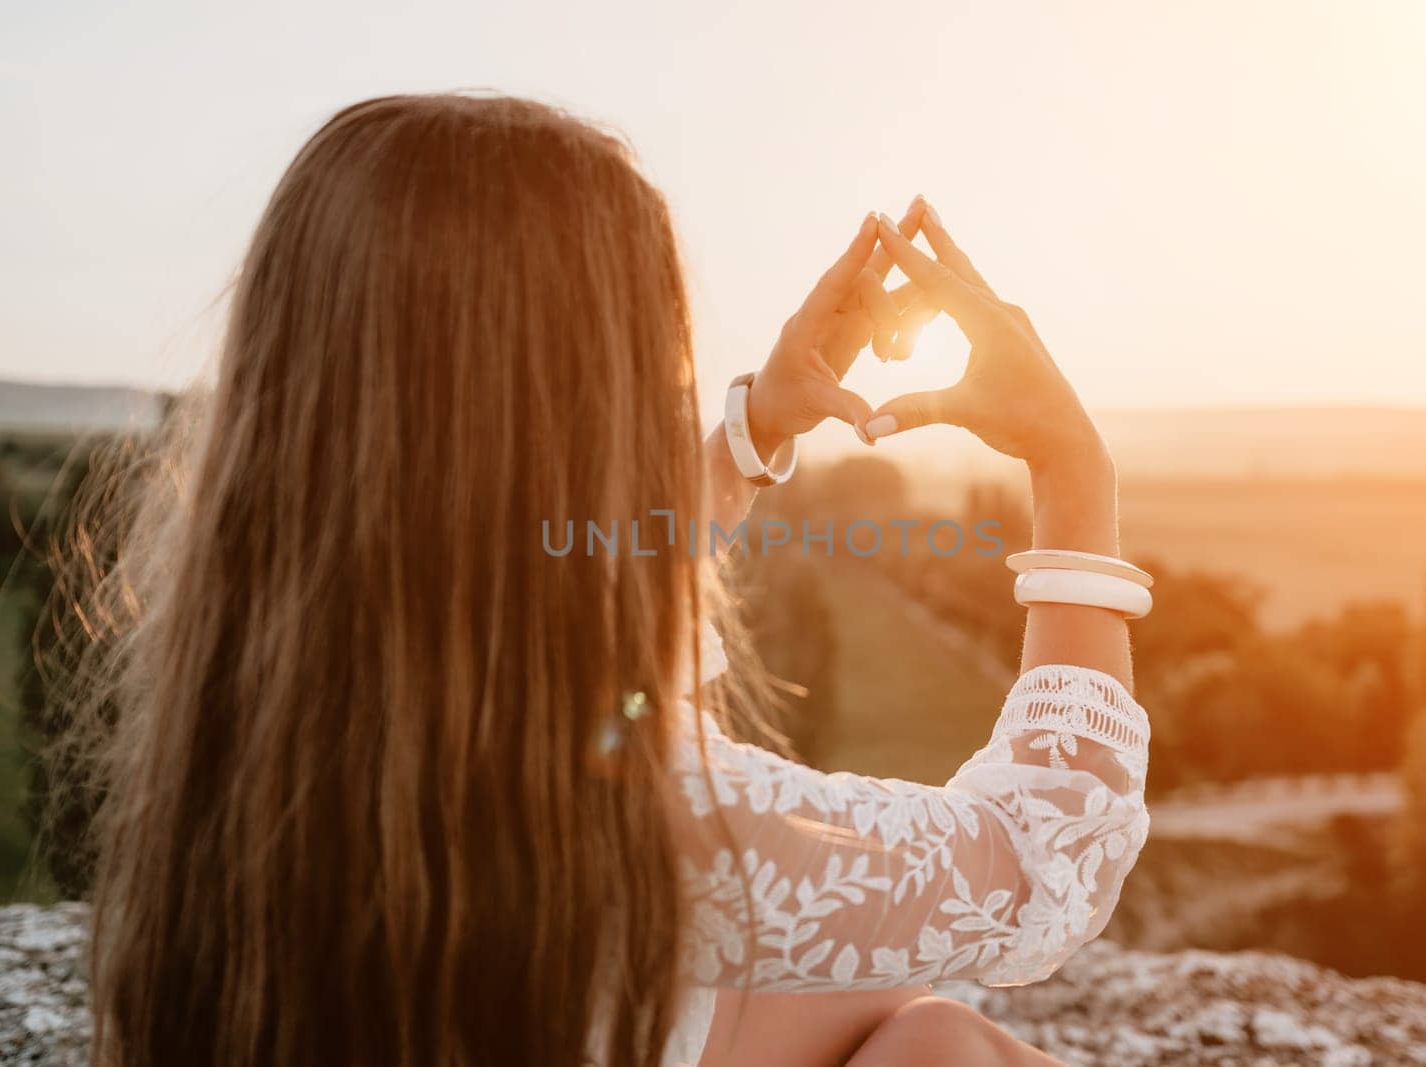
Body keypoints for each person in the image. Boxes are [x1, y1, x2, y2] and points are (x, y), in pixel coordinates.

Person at [80, 93, 1149, 1067]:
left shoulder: (249, 702)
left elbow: (551, 592)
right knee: (946, 1045)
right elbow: (1043, 860)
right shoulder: (655, 820)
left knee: (905, 1012)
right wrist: (1072, 476)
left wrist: (748, 433)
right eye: (661, 373)